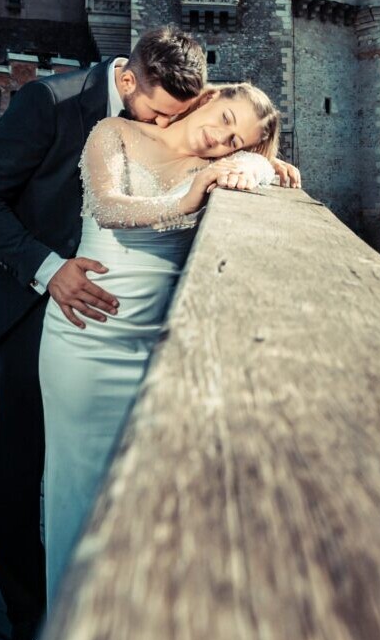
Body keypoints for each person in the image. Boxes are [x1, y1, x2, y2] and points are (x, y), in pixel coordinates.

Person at [0, 28, 297, 640]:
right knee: (21, 465)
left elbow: (223, 143)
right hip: (25, 299)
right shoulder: (51, 103)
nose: (166, 124)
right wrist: (48, 269)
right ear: (128, 81)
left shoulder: (179, 112)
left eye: (179, 114)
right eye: (159, 112)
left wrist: (262, 163)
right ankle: (29, 622)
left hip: (119, 317)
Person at [37, 82, 281, 613]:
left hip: (155, 348)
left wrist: (261, 166)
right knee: (78, 490)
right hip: (85, 337)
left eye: (235, 140)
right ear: (209, 98)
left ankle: (125, 621)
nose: (221, 139)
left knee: (141, 493)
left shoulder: (221, 164)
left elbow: (257, 167)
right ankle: (68, 625)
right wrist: (187, 199)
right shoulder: (115, 132)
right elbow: (106, 207)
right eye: (225, 119)